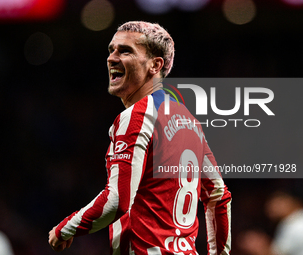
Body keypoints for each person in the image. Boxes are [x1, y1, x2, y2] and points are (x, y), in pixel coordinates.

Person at [49, 21, 232, 255]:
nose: (112, 58)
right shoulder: (189, 120)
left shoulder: (137, 116)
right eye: (111, 50)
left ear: (155, 65)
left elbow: (116, 202)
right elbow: (218, 195)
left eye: (125, 51)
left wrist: (66, 228)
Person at [265, 191, 303, 255]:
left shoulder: (294, 224)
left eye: (277, 204)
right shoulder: (293, 220)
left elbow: (277, 253)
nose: (270, 208)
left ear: (289, 202)